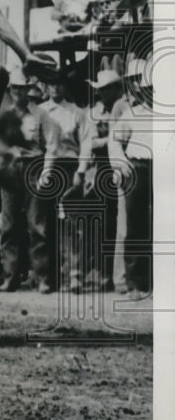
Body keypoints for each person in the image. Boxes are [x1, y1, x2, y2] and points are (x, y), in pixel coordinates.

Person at [0, 69, 61, 293]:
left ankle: (42, 277)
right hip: (11, 169)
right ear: (10, 90)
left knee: (37, 224)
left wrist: (46, 171)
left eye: (22, 89)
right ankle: (10, 276)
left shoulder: (41, 114)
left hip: (34, 167)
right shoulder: (4, 116)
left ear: (28, 90)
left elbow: (51, 146)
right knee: (9, 225)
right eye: (14, 89)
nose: (18, 93)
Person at [41, 78, 94, 293]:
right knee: (45, 223)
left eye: (59, 83)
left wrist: (81, 171)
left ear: (65, 86)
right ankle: (50, 276)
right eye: (51, 83)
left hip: (69, 167)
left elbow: (86, 143)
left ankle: (74, 275)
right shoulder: (39, 111)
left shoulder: (77, 112)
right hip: (44, 168)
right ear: (45, 86)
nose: (55, 86)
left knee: (70, 224)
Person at [108, 64, 152, 299]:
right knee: (135, 226)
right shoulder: (132, 113)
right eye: (149, 88)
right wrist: (120, 162)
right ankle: (136, 283)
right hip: (138, 169)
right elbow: (114, 140)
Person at [86, 68, 129, 293]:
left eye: (106, 89)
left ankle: (121, 274)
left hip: (123, 163)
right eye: (100, 90)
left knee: (123, 220)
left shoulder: (125, 107)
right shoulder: (94, 112)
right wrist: (110, 139)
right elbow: (90, 142)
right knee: (104, 219)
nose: (102, 94)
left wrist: (107, 139)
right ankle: (102, 272)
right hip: (102, 166)